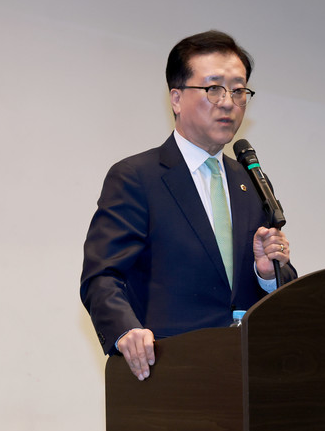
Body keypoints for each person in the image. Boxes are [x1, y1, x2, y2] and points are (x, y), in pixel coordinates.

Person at [80, 30, 296, 381]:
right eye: (214, 89)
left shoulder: (251, 182)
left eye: (239, 91)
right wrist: (125, 332)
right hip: (170, 373)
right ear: (176, 99)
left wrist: (268, 274)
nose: (228, 102)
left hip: (249, 374)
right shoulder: (137, 177)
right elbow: (102, 275)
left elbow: (280, 292)